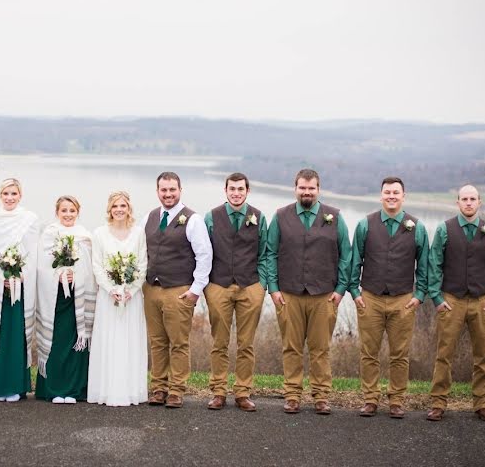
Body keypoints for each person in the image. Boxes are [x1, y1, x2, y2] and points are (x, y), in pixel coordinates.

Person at [265, 168, 352, 415]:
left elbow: (347, 254)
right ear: (295, 189)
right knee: (291, 347)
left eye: (311, 188)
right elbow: (270, 253)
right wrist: (273, 288)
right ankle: (292, 395)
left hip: (323, 295)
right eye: (302, 187)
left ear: (318, 189)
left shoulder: (334, 217)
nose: (307, 192)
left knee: (320, 348)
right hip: (289, 294)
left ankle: (321, 396)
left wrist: (340, 289)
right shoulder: (281, 216)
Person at [426, 184, 485, 422]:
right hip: (451, 301)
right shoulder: (445, 229)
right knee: (444, 354)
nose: (469, 203)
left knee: (483, 356)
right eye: (464, 199)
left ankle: (482, 403)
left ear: (480, 202)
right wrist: (437, 298)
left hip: (483, 302)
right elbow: (434, 265)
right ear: (458, 203)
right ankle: (438, 403)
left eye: (473, 199)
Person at [349, 177, 429, 418]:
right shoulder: (366, 224)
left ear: (404, 196)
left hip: (403, 299)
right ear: (380, 195)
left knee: (399, 354)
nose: (391, 196)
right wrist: (354, 292)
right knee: (368, 352)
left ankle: (396, 400)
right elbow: (356, 260)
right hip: (370, 298)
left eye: (396, 192)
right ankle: (370, 399)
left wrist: (419, 295)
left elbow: (424, 265)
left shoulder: (417, 227)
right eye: (387, 192)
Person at [143, 171, 213, 408]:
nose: (168, 194)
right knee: (156, 341)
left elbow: (204, 256)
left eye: (172, 189)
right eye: (164, 190)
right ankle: (158, 387)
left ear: (180, 190)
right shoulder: (150, 217)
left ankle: (176, 390)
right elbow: (142, 251)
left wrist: (195, 290)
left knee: (178, 342)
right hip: (152, 289)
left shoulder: (193, 219)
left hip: (179, 290)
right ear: (157, 192)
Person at [203, 172, 269, 412]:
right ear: (226, 190)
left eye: (241, 189)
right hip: (218, 285)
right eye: (232, 189)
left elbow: (265, 253)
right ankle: (218, 391)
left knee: (246, 343)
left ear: (247, 191)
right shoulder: (211, 217)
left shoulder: (259, 217)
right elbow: (202, 251)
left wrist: (261, 285)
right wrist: (207, 284)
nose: (236, 193)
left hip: (250, 286)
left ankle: (242, 392)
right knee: (219, 342)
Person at [0, 178, 39, 402]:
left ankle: (14, 386)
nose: (10, 198)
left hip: (19, 287)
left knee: (15, 335)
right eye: (6, 194)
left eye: (14, 194)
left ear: (20, 195)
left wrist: (19, 274)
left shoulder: (29, 219)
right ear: (0, 196)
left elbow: (33, 253)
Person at [88, 191, 149, 406]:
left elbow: (142, 265)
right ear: (109, 209)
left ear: (129, 208)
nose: (119, 209)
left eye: (123, 205)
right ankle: (105, 390)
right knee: (109, 339)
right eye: (115, 206)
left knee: (129, 340)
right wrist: (110, 288)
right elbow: (97, 266)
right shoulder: (99, 234)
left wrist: (131, 289)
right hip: (108, 297)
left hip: (132, 298)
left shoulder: (139, 233)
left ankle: (131, 390)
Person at [35, 195, 96, 403]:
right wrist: (60, 273)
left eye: (72, 210)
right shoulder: (49, 235)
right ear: (57, 212)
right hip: (55, 297)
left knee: (76, 341)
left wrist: (76, 274)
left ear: (78, 212)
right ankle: (53, 389)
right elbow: (41, 266)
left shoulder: (85, 237)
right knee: (56, 341)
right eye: (64, 210)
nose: (68, 214)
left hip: (77, 298)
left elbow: (90, 267)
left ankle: (73, 390)